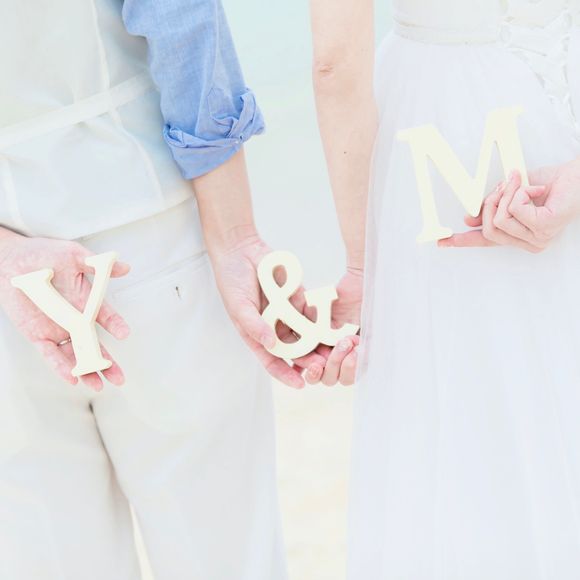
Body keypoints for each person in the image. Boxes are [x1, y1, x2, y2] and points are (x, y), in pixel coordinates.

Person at [0, 1, 325, 578]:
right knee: (224, 556)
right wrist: (235, 236)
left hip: (12, 276)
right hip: (146, 228)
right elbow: (181, 20)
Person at [308, 0, 580, 578]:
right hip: (564, 91)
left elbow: (336, 66)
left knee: (463, 419)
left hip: (442, 124)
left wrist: (361, 268)